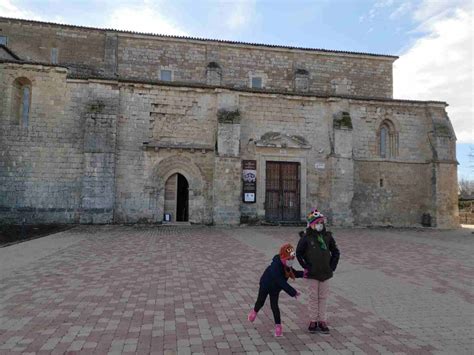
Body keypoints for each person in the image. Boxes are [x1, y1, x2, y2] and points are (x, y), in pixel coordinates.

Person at [296, 208, 340, 334]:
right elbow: (299, 253)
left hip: (325, 272)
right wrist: (306, 266)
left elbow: (335, 251)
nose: (320, 225)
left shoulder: (327, 237)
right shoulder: (306, 238)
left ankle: (322, 320)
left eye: (321, 223)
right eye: (317, 223)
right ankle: (313, 320)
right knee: (313, 297)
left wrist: (332, 266)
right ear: (311, 224)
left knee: (323, 297)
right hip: (312, 273)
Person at [248, 243, 305, 337]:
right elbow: (281, 282)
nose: (291, 261)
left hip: (275, 289)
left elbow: (293, 273)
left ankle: (278, 326)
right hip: (265, 285)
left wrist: (305, 274)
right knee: (260, 302)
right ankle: (254, 312)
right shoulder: (275, 266)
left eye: (292, 259)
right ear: (283, 257)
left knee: (274, 306)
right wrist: (293, 292)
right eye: (289, 259)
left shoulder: (286, 266)